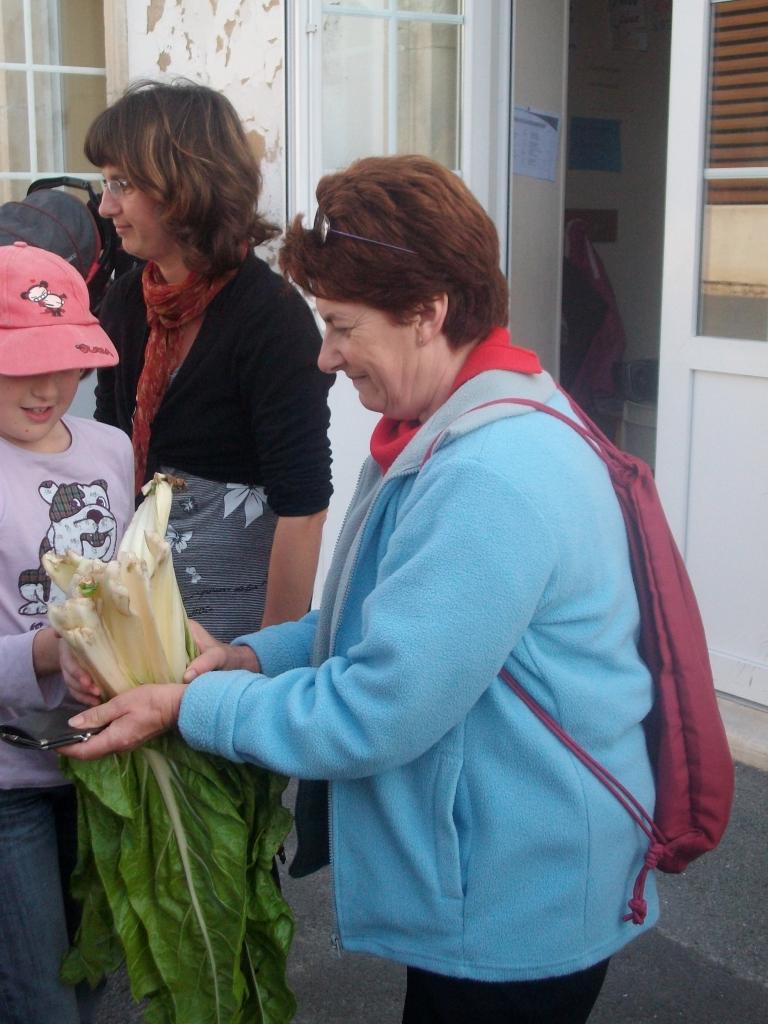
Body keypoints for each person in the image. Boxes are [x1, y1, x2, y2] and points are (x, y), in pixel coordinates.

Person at [62, 155, 659, 1024]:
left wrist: (189, 709)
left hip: (518, 908)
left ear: (428, 313)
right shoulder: (459, 420)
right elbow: (385, 626)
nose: (326, 355)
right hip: (497, 877)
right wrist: (245, 656)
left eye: (342, 325)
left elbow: (378, 707)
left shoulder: (491, 474)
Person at [86, 79, 333, 640]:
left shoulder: (271, 317)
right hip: (141, 620)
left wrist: (267, 665)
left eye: (122, 184)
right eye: (105, 184)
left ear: (184, 185)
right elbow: (107, 456)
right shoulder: (126, 301)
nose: (106, 207)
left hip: (235, 632)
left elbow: (304, 510)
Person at [0, 242, 134, 1023]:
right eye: (21, 362)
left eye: (65, 361)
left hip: (98, 767)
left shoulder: (110, 450)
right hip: (10, 779)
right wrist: (50, 651)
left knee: (88, 983)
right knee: (39, 998)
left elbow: (127, 586)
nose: (50, 387)